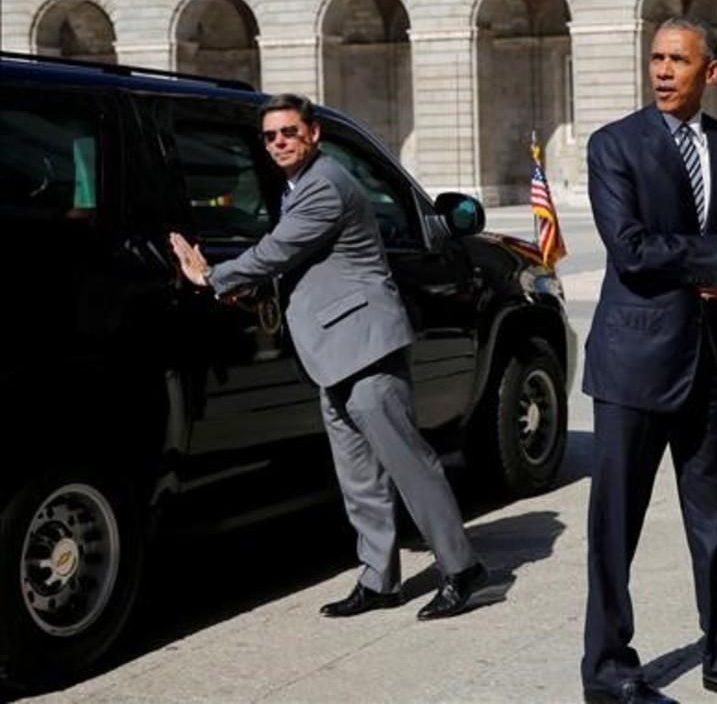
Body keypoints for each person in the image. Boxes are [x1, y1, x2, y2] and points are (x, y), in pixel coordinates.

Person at [169, 93, 487, 622]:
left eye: (288, 132)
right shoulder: (298, 188)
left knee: (408, 464)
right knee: (359, 475)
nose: (278, 144)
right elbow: (297, 267)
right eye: (270, 136)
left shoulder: (326, 184)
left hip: (365, 346)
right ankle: (379, 579)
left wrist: (212, 277)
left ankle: (461, 569)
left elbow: (278, 249)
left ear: (313, 133)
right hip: (333, 350)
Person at [580, 17, 717, 704]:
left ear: (711, 72)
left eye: (678, 60)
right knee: (614, 529)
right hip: (632, 363)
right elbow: (631, 249)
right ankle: (607, 671)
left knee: (715, 525)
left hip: (711, 366)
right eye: (656, 58)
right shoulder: (614, 145)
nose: (662, 71)